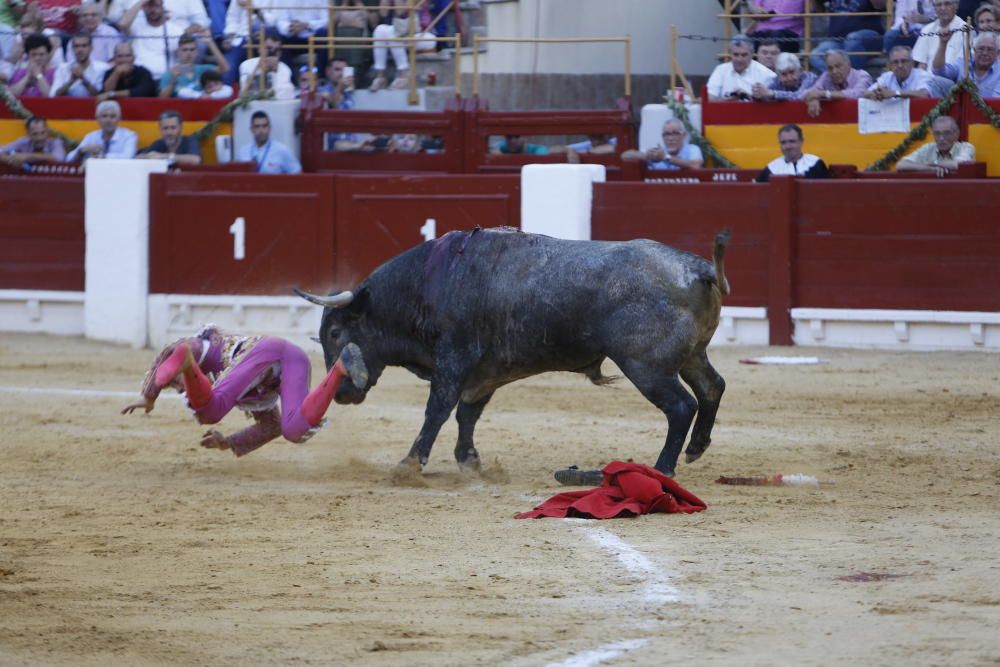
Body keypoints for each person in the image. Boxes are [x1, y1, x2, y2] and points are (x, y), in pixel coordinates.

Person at [121, 327, 368, 458]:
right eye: (176, 387)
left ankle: (181, 362)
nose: (180, 388)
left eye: (177, 382)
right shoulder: (234, 385)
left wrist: (149, 394)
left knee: (210, 410)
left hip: (265, 351)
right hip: (293, 359)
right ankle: (339, 369)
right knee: (293, 429)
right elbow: (270, 427)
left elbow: (179, 347)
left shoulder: (207, 351)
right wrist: (228, 443)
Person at [118, 0, 193, 82]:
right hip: (139, 78)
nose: (153, 10)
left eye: (156, 6)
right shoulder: (136, 25)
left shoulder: (176, 31)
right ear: (143, 8)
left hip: (165, 80)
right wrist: (142, 2)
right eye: (149, 6)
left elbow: (187, 58)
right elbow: (122, 24)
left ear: (162, 7)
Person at [368, 0, 435, 91]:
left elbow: (400, 12)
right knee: (379, 29)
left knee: (393, 33)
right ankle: (380, 76)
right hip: (402, 35)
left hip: (423, 36)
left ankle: (403, 74)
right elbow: (383, 13)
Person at [810, 0, 888, 72]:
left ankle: (856, 80)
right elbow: (819, 10)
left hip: (869, 38)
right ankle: (841, 79)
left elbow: (881, 5)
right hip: (838, 40)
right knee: (816, 55)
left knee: (852, 38)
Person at [800, 49, 874, 117]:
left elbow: (857, 94)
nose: (834, 71)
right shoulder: (826, 76)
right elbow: (805, 93)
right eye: (830, 68)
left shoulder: (862, 76)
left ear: (848, 64)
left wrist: (824, 94)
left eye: (838, 66)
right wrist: (813, 98)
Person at [896, 115, 975, 176]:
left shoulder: (966, 147)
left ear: (956, 134)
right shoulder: (928, 148)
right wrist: (929, 168)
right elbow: (901, 165)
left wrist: (934, 163)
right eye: (937, 133)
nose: (941, 138)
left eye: (946, 133)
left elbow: (960, 165)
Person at [706, 35, 776, 101]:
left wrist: (748, 97)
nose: (739, 59)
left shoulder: (767, 74)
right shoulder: (720, 70)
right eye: (736, 55)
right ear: (730, 53)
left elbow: (771, 105)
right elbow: (708, 98)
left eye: (744, 55)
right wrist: (727, 100)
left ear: (752, 54)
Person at [158, 33, 228, 97]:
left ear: (197, 52)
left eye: (192, 50)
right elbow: (161, 99)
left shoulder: (204, 70)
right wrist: (173, 82)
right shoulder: (169, 74)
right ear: (178, 52)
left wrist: (210, 43)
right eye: (184, 50)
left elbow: (225, 69)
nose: (188, 53)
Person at [67, 99, 138, 161]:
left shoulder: (129, 136)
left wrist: (102, 157)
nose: (108, 120)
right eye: (104, 116)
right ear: (98, 119)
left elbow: (128, 157)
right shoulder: (91, 136)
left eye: (112, 116)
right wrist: (81, 151)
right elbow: (68, 159)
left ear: (119, 119)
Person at [755, 124, 830, 181]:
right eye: (783, 142)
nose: (788, 146)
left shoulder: (815, 164)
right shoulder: (771, 169)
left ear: (801, 141)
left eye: (792, 141)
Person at [621, 119, 704, 170]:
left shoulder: (692, 149)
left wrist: (665, 158)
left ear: (684, 135)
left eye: (675, 133)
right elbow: (625, 155)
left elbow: (696, 165)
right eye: (666, 134)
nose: (670, 138)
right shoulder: (658, 152)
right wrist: (646, 156)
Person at [933, 32, 1000, 96]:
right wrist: (943, 43)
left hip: (991, 107)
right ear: (974, 50)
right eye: (981, 49)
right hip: (960, 106)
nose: (985, 53)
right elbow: (938, 71)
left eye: (990, 49)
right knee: (937, 81)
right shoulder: (963, 63)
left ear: (997, 53)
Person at [236, 110, 302, 173]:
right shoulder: (242, 152)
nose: (261, 130)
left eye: (264, 126)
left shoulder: (282, 151)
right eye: (257, 126)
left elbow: (298, 176)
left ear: (269, 128)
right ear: (251, 129)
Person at [862, 45, 933, 99]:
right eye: (895, 62)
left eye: (904, 61)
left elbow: (924, 94)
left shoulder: (923, 75)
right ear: (889, 65)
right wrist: (877, 94)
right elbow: (865, 94)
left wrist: (895, 93)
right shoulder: (887, 77)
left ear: (912, 63)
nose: (900, 65)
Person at [50, 31, 109, 97]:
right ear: (72, 48)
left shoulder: (103, 68)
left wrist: (83, 79)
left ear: (91, 48)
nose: (80, 49)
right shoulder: (63, 68)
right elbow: (54, 96)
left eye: (84, 46)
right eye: (76, 46)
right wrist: (71, 81)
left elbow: (101, 96)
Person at [238, 32, 295, 100]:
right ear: (260, 49)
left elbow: (283, 94)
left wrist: (273, 72)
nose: (272, 52)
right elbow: (245, 90)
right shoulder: (247, 65)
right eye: (268, 48)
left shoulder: (285, 69)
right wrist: (263, 70)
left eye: (276, 50)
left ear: (280, 53)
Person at [912, 0, 967, 70]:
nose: (943, 8)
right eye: (938, 5)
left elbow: (961, 66)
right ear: (934, 8)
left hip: (952, 78)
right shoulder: (927, 30)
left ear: (956, 6)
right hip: (928, 78)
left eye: (947, 4)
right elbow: (921, 64)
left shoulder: (965, 30)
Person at [137, 109, 201, 164]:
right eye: (165, 128)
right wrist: (147, 157)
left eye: (173, 128)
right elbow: (139, 157)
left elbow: (195, 160)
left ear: (181, 128)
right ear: (160, 129)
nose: (169, 132)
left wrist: (165, 156)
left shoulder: (190, 141)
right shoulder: (159, 143)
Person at [0, 116, 66, 167]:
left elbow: (60, 158)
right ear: (28, 134)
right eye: (35, 134)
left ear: (47, 131)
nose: (40, 137)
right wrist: (11, 160)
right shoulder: (23, 142)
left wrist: (29, 156)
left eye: (43, 133)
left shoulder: (55, 142)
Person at [753, 51, 817, 100]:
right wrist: (758, 93)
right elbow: (765, 96)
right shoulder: (775, 80)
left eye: (792, 72)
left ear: (800, 70)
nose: (789, 78)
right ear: (778, 75)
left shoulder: (809, 77)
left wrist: (772, 93)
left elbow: (800, 96)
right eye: (784, 74)